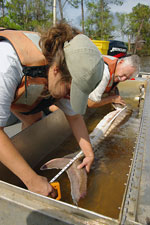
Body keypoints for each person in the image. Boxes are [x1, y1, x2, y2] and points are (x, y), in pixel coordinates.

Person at [0, 23, 104, 197]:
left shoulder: (62, 64)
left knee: (35, 118)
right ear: (56, 70)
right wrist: (32, 180)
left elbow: (75, 117)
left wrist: (88, 153)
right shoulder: (7, 63)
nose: (69, 98)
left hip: (16, 89)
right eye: (70, 91)